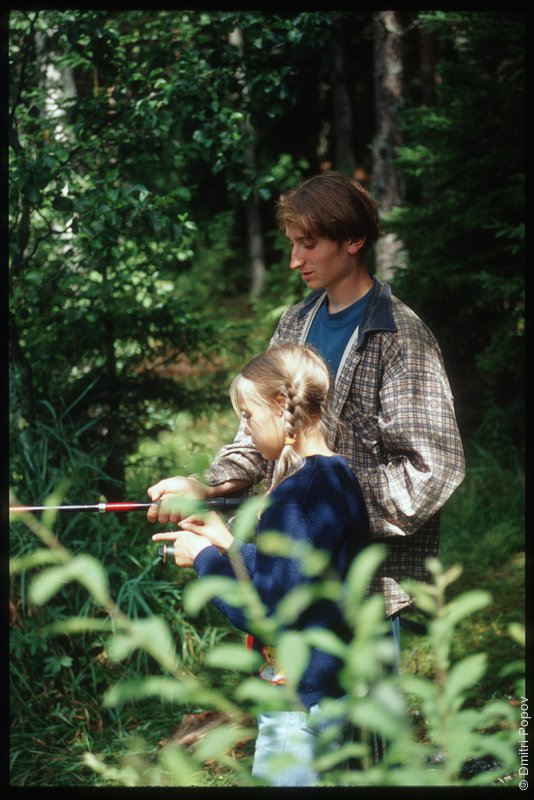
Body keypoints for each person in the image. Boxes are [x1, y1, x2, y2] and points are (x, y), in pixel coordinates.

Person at [147, 170, 466, 629]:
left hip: (364, 587)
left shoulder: (400, 337)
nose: (295, 260)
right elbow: (260, 431)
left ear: (353, 240)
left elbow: (433, 469)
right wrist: (208, 487)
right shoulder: (294, 323)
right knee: (290, 697)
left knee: (353, 698)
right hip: (284, 573)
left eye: (309, 244)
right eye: (292, 243)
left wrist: (326, 514)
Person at [152, 343, 370, 786]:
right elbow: (296, 574)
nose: (246, 432)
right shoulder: (334, 474)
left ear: (279, 405)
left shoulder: (293, 497)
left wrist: (206, 559)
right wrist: (227, 541)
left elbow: (270, 610)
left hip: (298, 702)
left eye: (248, 417)